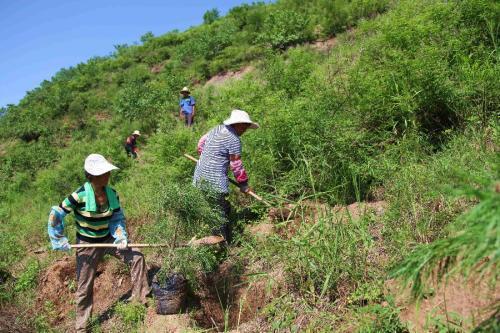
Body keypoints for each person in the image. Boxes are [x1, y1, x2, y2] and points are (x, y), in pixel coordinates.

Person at [47, 154, 150, 333]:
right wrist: (58, 238)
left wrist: (120, 236)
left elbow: (117, 218)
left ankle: (140, 300)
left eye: (108, 172)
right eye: (104, 172)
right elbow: (56, 213)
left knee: (137, 256)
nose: (108, 175)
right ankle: (82, 327)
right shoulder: (78, 196)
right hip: (87, 243)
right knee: (84, 285)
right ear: (92, 176)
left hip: (108, 239)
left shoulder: (112, 194)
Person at [193, 109, 258, 244]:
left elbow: (200, 145)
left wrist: (209, 158)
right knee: (219, 213)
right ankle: (222, 244)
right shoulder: (234, 139)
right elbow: (236, 164)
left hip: (200, 176)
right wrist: (244, 184)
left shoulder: (216, 129)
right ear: (238, 124)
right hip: (214, 180)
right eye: (244, 126)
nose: (245, 130)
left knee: (217, 207)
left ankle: (218, 237)